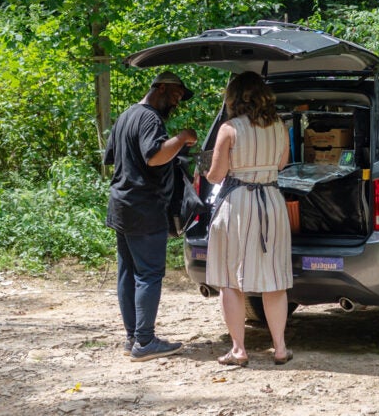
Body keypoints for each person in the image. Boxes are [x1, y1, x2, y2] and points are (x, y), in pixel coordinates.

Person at [104, 71, 199, 362]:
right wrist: (181, 138)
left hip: (122, 203)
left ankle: (133, 337)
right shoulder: (149, 118)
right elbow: (154, 155)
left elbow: (111, 158)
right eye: (174, 95)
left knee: (128, 272)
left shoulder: (125, 116)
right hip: (143, 207)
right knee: (148, 274)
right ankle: (145, 341)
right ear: (158, 88)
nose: (176, 102)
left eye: (180, 98)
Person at [205, 71, 294, 366]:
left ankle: (239, 349)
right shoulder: (280, 126)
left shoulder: (229, 129)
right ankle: (280, 347)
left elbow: (216, 175)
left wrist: (204, 172)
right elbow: (281, 164)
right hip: (271, 200)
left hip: (239, 202)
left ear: (234, 98)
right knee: (274, 278)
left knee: (230, 279)